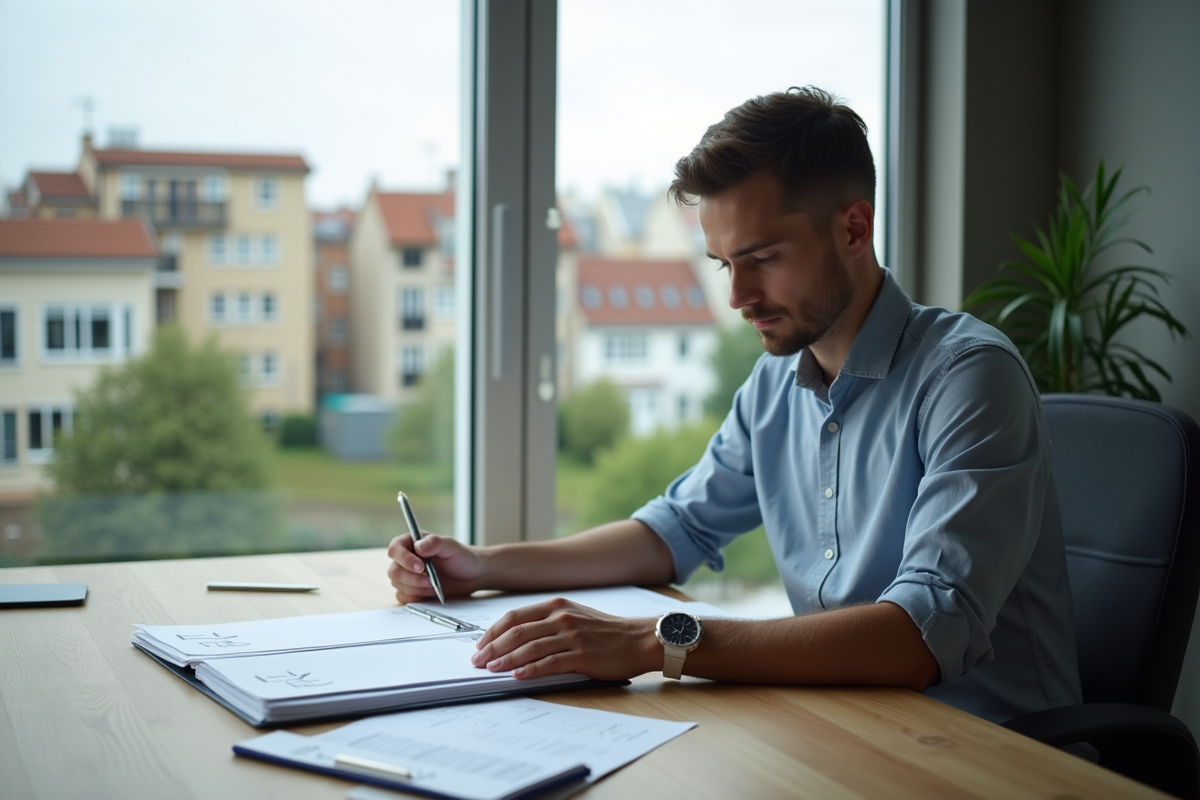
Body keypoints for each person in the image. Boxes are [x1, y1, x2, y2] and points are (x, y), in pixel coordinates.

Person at [387, 86, 1082, 724]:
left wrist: (657, 642)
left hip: (993, 754)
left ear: (853, 229)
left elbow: (922, 634)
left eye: (763, 258)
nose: (737, 296)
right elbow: (673, 531)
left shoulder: (968, 377)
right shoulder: (777, 383)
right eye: (724, 264)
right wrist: (484, 566)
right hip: (848, 729)